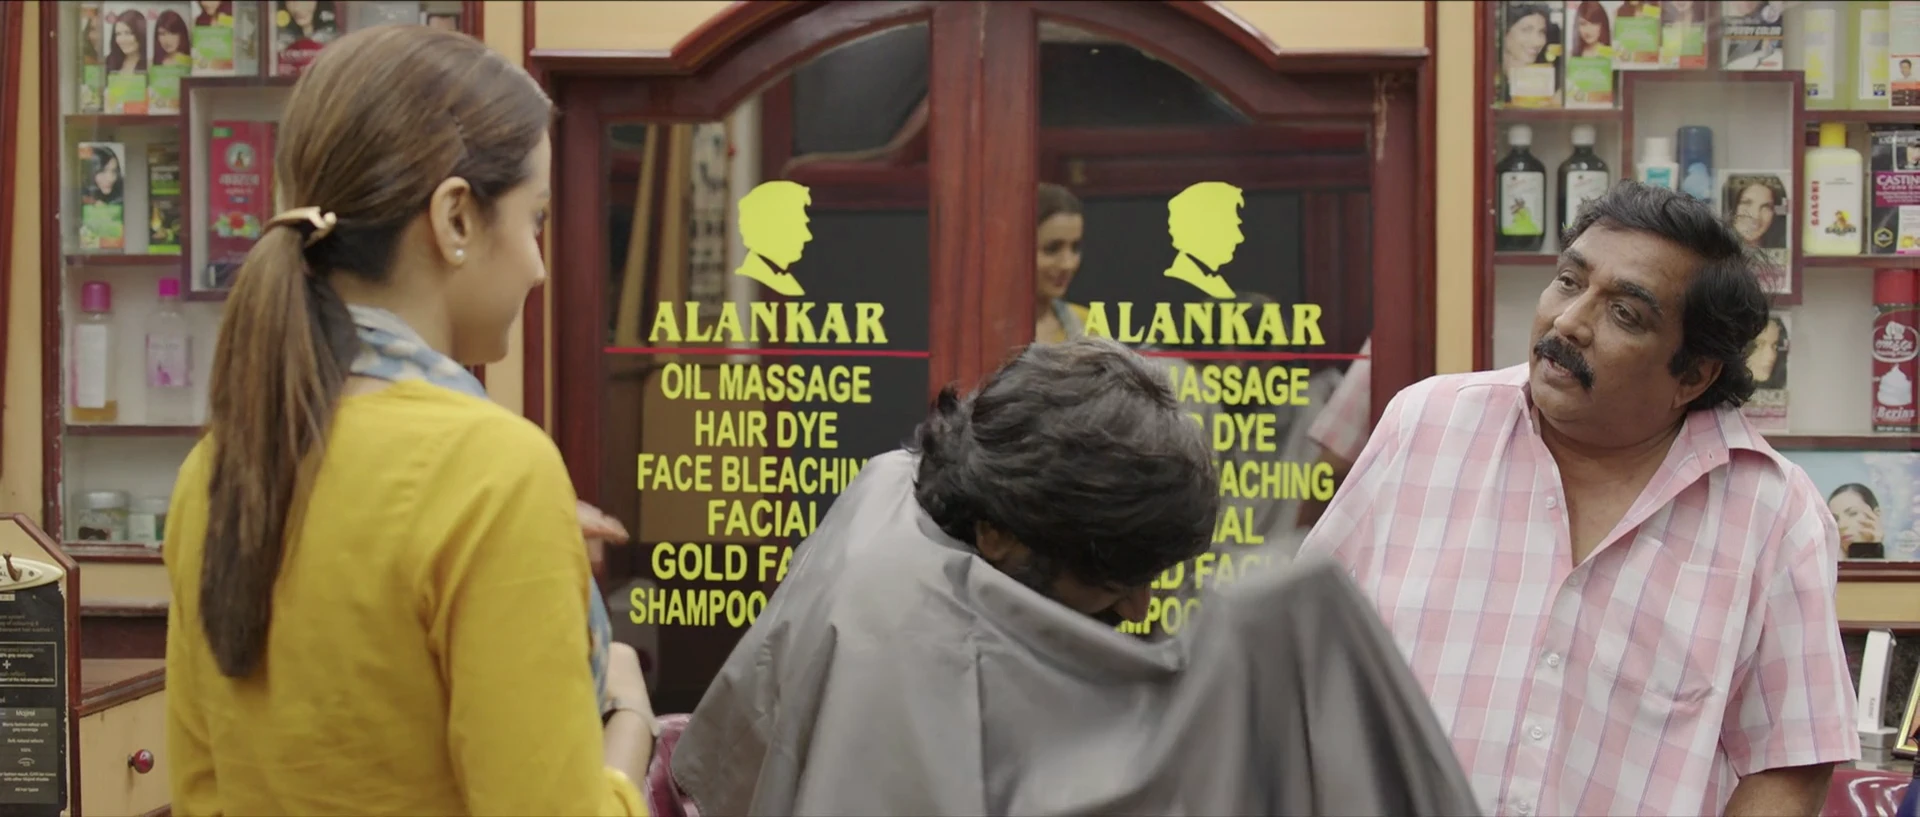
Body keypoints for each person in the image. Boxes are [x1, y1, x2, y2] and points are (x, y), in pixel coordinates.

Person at [667, 336, 1482, 815]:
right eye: (1115, 579)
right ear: (998, 534)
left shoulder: (893, 483)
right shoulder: (919, 649)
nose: (1141, 603)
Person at [162, 26, 655, 815]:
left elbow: (202, 795)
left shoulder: (219, 467)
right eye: (535, 218)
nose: (537, 264)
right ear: (456, 218)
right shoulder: (494, 474)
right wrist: (629, 722)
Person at [1301, 180, 1858, 816]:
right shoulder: (1426, 426)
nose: (1568, 321)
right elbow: (1304, 654)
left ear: (1693, 375)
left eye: (1625, 314)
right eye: (1569, 281)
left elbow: (1788, 761)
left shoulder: (1772, 515)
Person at [1035, 182, 1090, 343]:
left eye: (1075, 248)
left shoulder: (1087, 325)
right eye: (1052, 249)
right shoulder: (982, 330)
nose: (1068, 264)